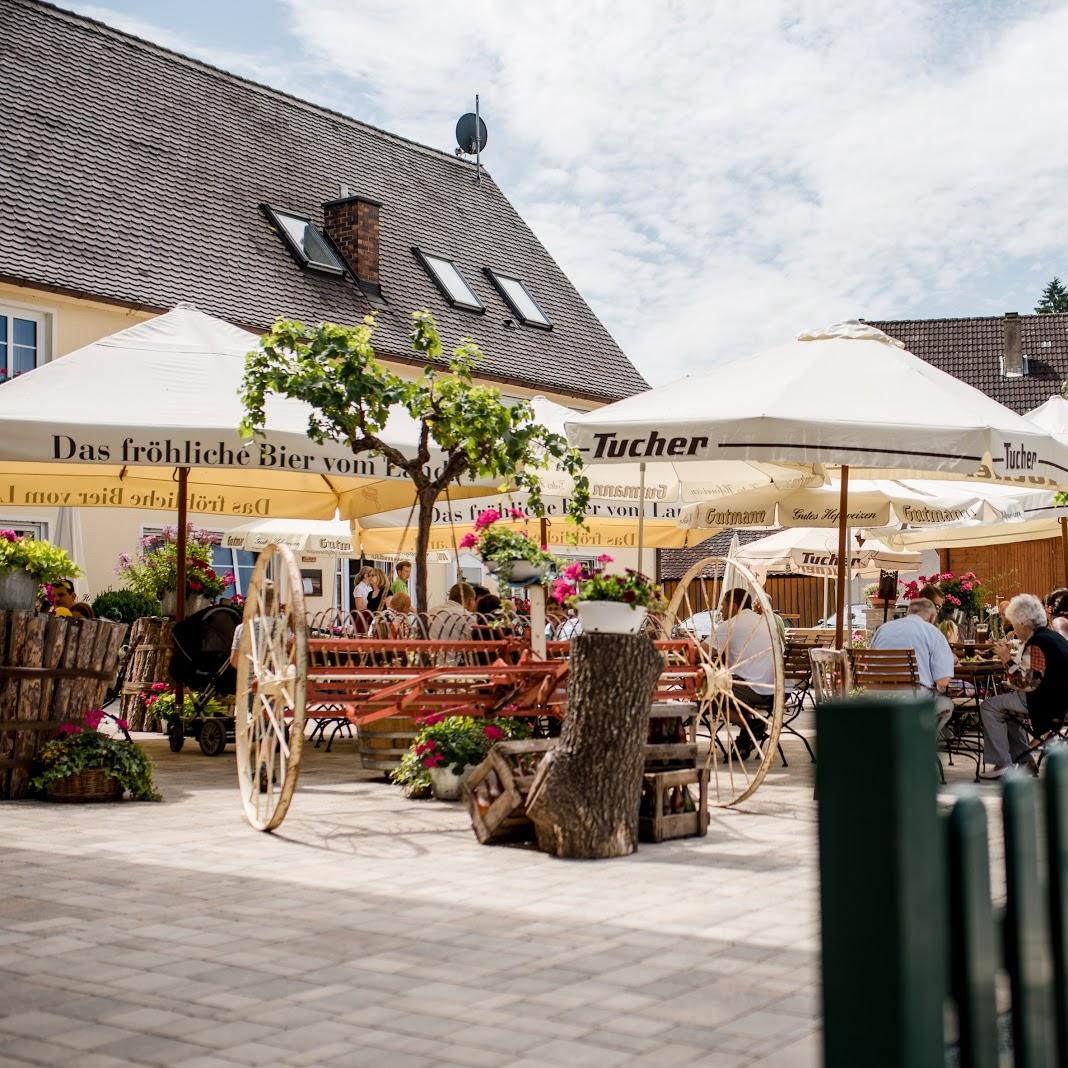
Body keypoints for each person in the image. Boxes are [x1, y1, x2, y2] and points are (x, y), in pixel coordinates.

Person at [979, 593, 1068, 779]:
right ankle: (1025, 762)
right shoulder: (1053, 637)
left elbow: (1028, 683)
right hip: (1060, 700)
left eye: (1014, 623)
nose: (1014, 628)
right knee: (1005, 709)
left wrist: (1006, 659)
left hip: (1046, 703)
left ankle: (1002, 764)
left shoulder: (1038, 643)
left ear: (1022, 623)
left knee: (988, 706)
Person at [709, 589, 775, 758]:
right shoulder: (765, 623)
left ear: (733, 605)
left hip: (752, 689)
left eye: (723, 605)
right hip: (776, 690)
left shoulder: (730, 625)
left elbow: (700, 652)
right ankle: (745, 740)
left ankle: (750, 725)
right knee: (730, 691)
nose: (721, 610)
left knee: (708, 693)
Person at [869, 598, 955, 724]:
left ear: (909, 612)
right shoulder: (932, 631)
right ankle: (919, 736)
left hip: (877, 699)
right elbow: (943, 680)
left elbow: (870, 665)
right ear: (931, 617)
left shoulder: (882, 629)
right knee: (946, 705)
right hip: (914, 700)